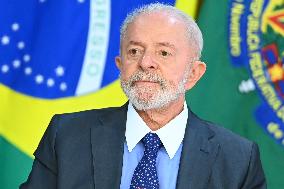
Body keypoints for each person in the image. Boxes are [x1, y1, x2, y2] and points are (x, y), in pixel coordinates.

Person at [20, 3, 266, 189]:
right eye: (135, 51)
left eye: (164, 53)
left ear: (194, 73)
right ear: (120, 64)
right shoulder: (66, 136)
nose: (146, 62)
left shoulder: (238, 159)